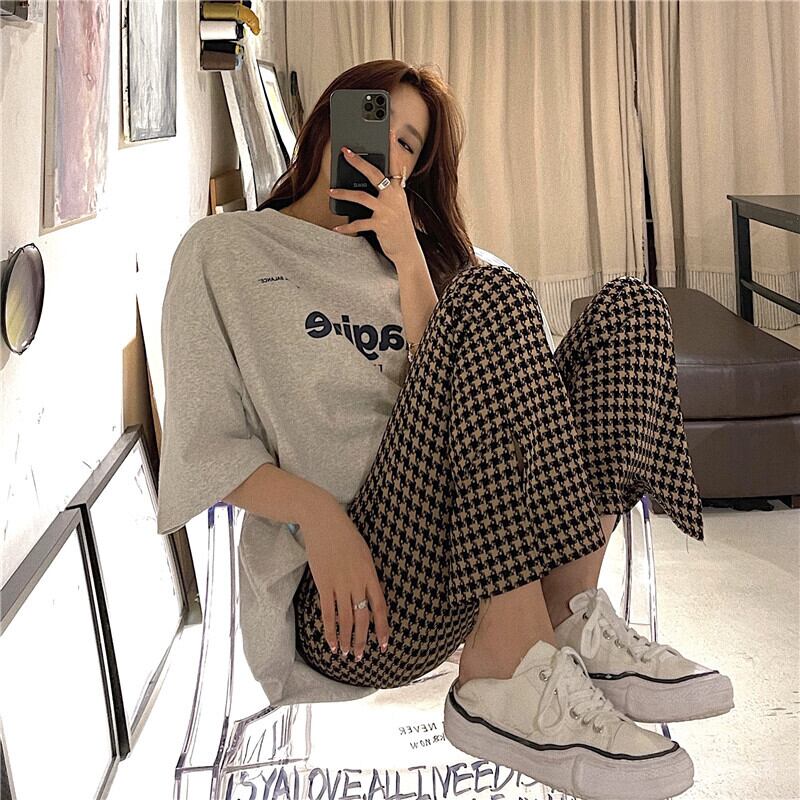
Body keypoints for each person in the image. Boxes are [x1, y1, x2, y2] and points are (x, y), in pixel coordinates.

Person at [157, 59, 733, 800]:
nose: (386, 152)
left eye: (406, 144)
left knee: (631, 310)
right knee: (491, 291)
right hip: (353, 602)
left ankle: (561, 620)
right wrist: (320, 517)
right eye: (377, 123)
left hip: (475, 566)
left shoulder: (427, 262)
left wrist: (407, 258)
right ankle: (511, 662)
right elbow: (204, 446)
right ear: (328, 119)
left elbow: (464, 401)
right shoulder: (223, 251)